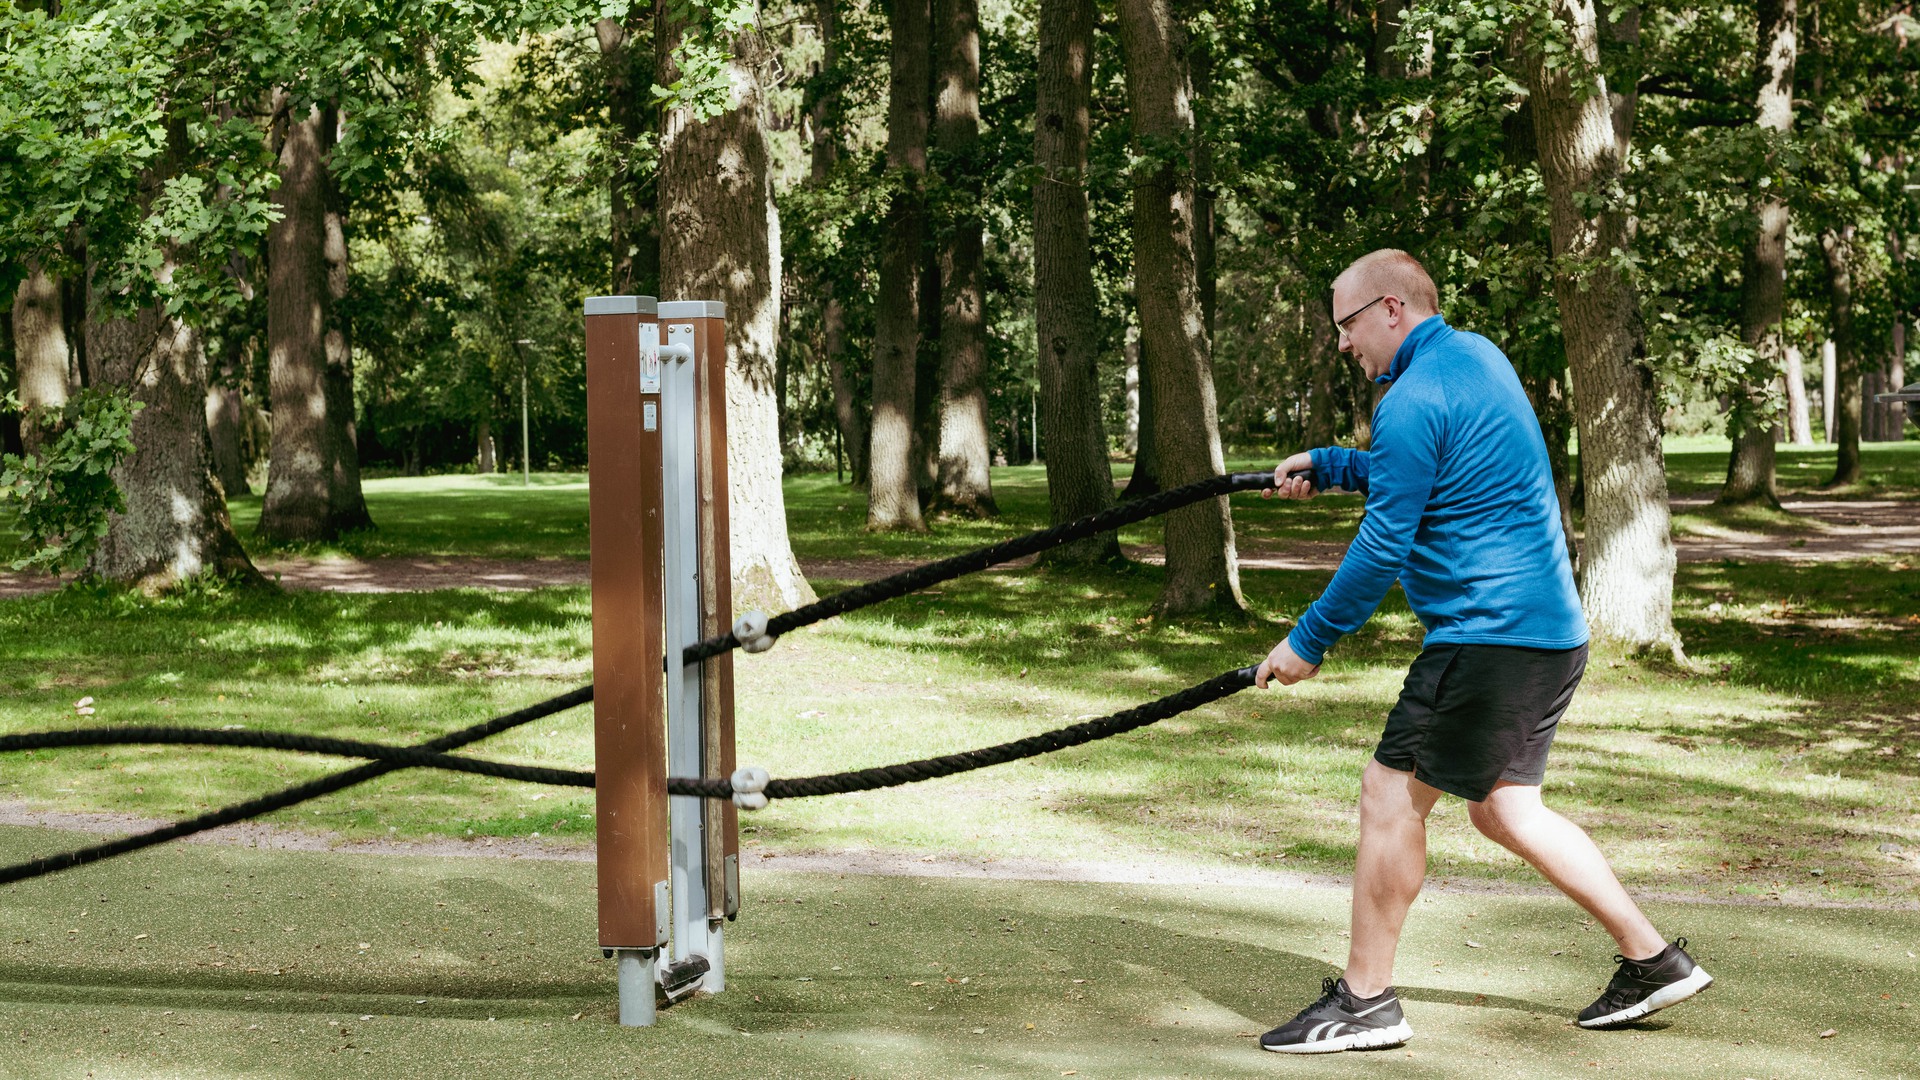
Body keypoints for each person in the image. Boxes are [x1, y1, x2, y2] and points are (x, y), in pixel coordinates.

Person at [1251, 250, 1711, 1054]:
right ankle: (1653, 957)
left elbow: (1383, 544)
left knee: (1388, 796)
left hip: (1487, 636)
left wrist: (1307, 641)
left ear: (1391, 309)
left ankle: (1365, 1005)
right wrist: (1330, 466)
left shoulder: (1411, 396)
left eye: (1346, 325)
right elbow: (1431, 471)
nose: (1342, 344)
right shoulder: (1474, 358)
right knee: (1504, 808)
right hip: (1547, 636)